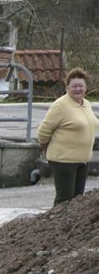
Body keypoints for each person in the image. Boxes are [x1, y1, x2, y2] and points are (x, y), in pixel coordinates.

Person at [37, 67, 98, 205]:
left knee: (77, 201)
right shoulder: (60, 105)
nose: (78, 89)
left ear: (86, 88)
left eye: (81, 86)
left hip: (82, 160)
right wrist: (46, 149)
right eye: (74, 86)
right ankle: (55, 220)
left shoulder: (86, 104)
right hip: (64, 161)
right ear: (67, 88)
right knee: (64, 200)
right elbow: (43, 132)